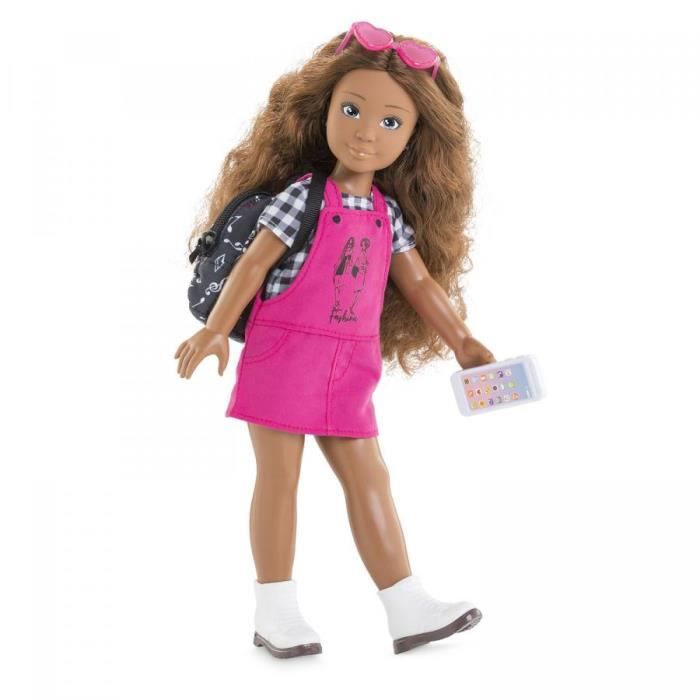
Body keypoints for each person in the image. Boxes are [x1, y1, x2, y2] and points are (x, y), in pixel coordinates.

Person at [174, 21, 496, 658]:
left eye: (390, 122)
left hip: (349, 364)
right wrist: (214, 329)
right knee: (280, 478)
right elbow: (253, 265)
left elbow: (419, 282)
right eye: (351, 110)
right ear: (322, 110)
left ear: (413, 139)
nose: (366, 132)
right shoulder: (303, 198)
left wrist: (463, 340)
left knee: (370, 476)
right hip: (283, 355)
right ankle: (276, 611)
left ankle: (406, 604)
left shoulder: (387, 214)